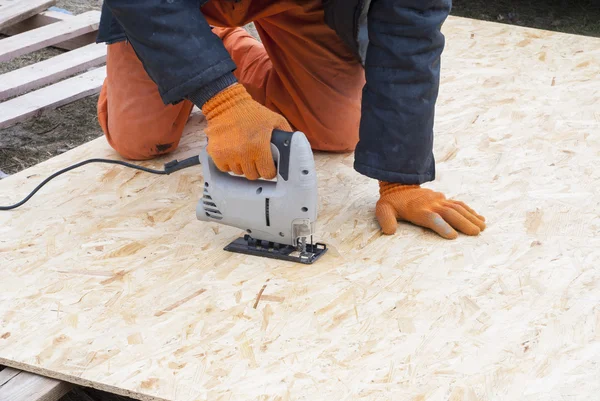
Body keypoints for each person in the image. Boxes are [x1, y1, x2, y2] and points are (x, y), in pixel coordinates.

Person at [96, 0, 486, 239]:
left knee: (334, 129)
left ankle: (227, 48)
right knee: (140, 142)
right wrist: (222, 100)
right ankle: (199, 46)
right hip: (171, 5)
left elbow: (410, 31)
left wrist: (400, 181)